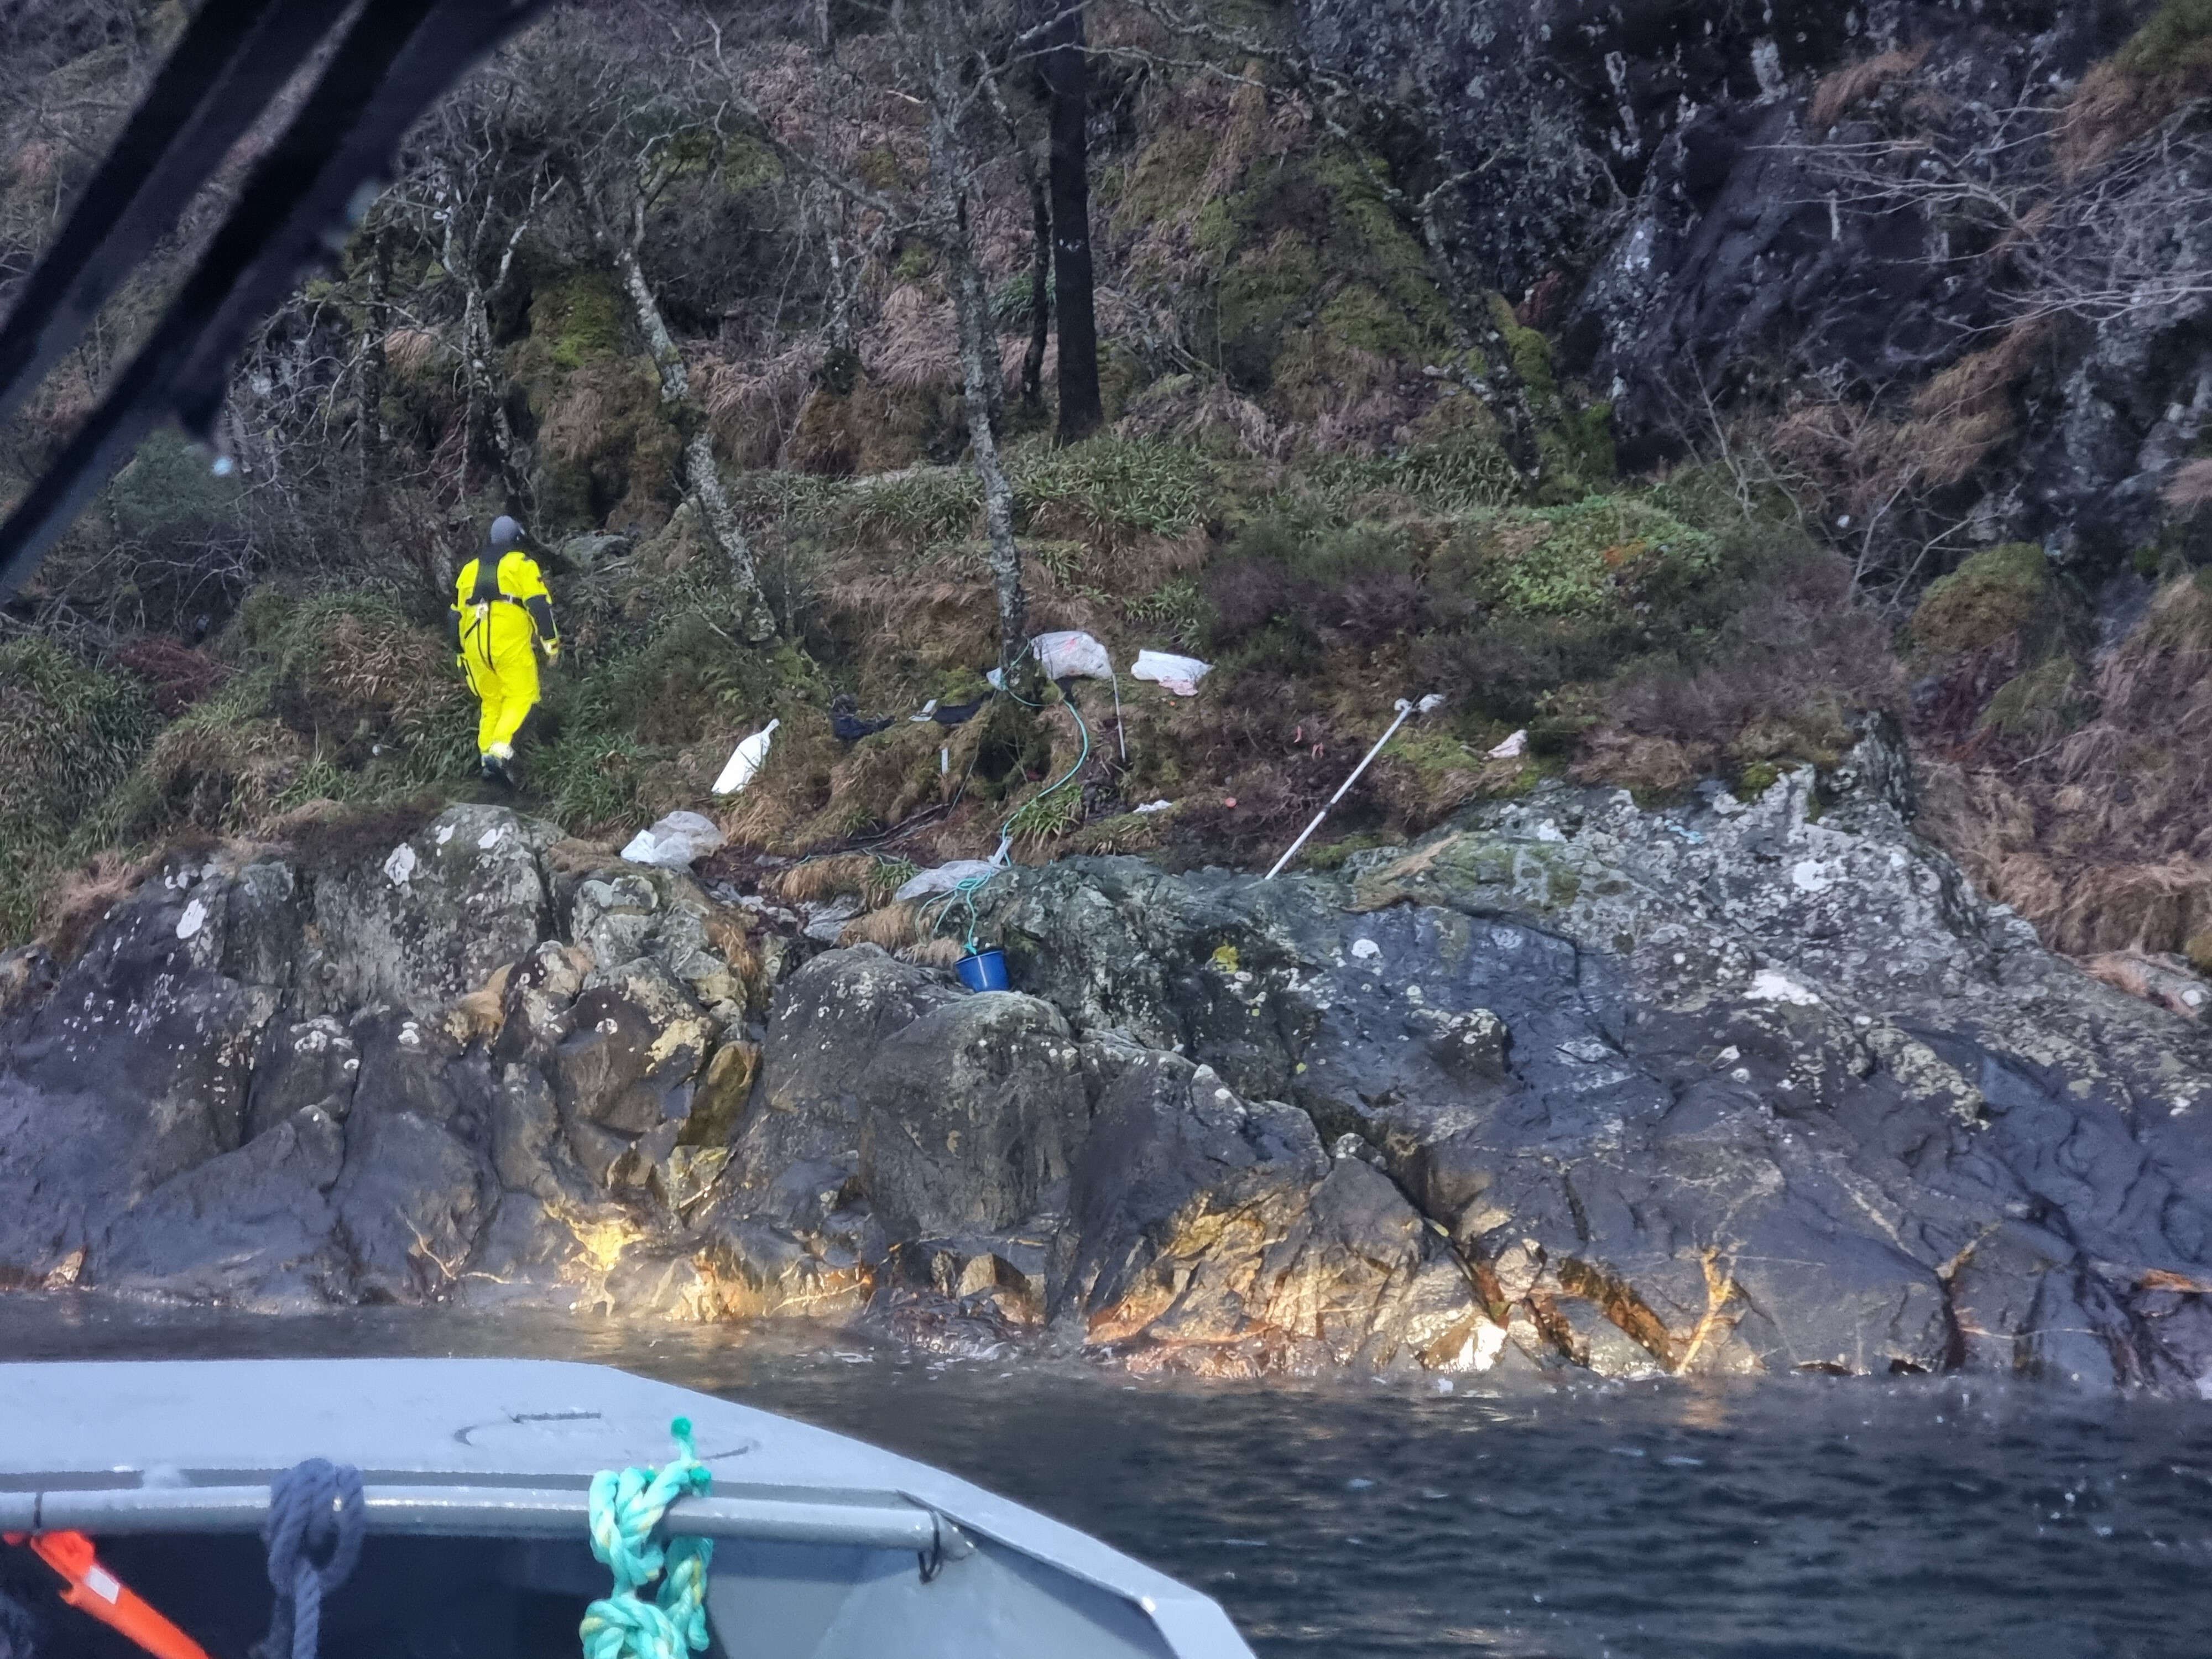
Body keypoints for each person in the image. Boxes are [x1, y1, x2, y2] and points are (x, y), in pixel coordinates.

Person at [449, 515, 558, 786]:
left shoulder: (469, 570)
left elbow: (454, 617)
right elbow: (539, 606)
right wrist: (551, 645)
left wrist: (461, 655)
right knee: (522, 696)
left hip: (474, 649)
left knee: (492, 702)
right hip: (507, 645)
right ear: (517, 540)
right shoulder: (521, 564)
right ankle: (500, 752)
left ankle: (487, 757)